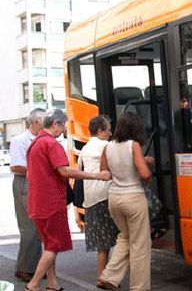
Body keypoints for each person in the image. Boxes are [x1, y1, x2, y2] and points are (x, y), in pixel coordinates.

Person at [25, 109, 111, 291]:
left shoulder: (35, 144)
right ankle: (33, 285)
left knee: (48, 245)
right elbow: (65, 171)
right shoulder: (52, 144)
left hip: (36, 203)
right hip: (51, 203)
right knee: (53, 246)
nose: (64, 129)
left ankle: (52, 283)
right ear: (55, 124)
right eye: (63, 125)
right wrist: (97, 176)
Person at [97, 111, 153, 291]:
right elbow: (144, 174)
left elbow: (104, 173)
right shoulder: (133, 145)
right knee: (140, 245)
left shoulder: (108, 147)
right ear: (135, 127)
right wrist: (146, 169)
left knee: (125, 237)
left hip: (114, 199)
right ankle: (139, 287)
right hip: (133, 198)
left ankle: (109, 277)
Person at [75, 115, 119, 280]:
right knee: (123, 239)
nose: (110, 132)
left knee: (103, 246)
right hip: (106, 196)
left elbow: (80, 168)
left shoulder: (85, 148)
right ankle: (110, 276)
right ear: (100, 130)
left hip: (91, 200)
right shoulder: (106, 145)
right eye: (108, 129)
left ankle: (102, 277)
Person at [9, 108, 45, 283]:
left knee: (38, 227)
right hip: (25, 183)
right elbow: (16, 166)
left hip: (38, 184)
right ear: (36, 122)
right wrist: (40, 171)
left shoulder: (42, 139)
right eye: (44, 121)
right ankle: (24, 268)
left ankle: (35, 266)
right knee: (29, 227)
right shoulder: (19, 140)